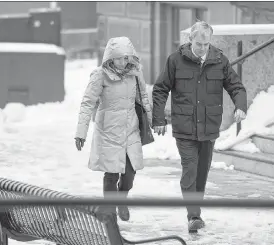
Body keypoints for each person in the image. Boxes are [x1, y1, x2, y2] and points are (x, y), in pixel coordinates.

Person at [152, 21, 247, 232]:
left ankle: (195, 212)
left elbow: (236, 86)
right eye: (199, 43)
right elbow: (160, 89)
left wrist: (240, 106)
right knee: (190, 170)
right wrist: (158, 118)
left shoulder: (219, 60)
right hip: (184, 126)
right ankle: (193, 216)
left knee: (202, 172)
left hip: (209, 126)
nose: (203, 48)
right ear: (190, 40)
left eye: (206, 43)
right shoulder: (175, 60)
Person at [75, 36, 152, 222]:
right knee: (111, 173)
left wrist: (153, 121)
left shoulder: (135, 73)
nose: (123, 62)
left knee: (130, 173)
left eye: (126, 57)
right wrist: (81, 132)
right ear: (110, 58)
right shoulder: (100, 76)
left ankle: (122, 198)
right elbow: (87, 104)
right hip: (108, 131)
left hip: (130, 129)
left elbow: (143, 98)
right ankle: (109, 213)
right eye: (119, 58)